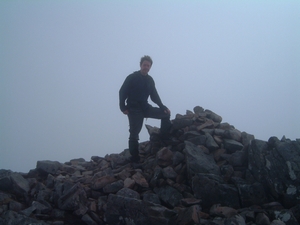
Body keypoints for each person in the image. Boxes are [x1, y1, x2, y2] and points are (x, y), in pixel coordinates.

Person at [119, 55, 172, 162]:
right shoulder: (132, 77)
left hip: (145, 107)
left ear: (150, 67)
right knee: (134, 133)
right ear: (140, 65)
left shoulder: (150, 80)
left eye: (148, 65)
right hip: (134, 109)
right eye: (144, 65)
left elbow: (154, 96)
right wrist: (122, 107)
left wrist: (163, 107)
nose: (146, 67)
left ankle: (164, 139)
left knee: (166, 114)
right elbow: (122, 91)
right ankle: (135, 158)